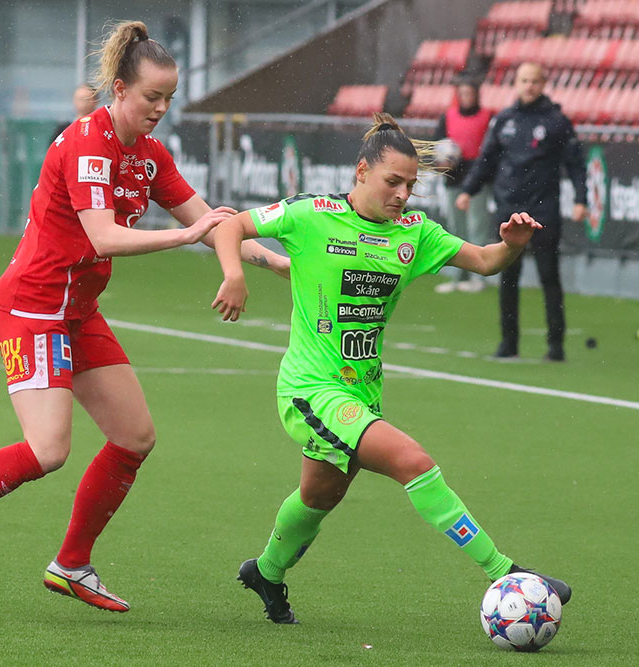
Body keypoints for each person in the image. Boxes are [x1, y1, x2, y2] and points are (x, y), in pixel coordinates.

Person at [0, 21, 289, 612]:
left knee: (134, 438)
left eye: (169, 98)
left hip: (76, 312)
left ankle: (71, 564)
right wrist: (185, 236)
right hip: (32, 308)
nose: (161, 108)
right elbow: (105, 238)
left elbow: (212, 222)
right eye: (151, 96)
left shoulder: (149, 154)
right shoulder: (86, 143)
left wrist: (278, 262)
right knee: (47, 451)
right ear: (120, 89)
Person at [211, 112, 571, 624]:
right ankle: (508, 573)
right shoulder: (311, 214)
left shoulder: (414, 234)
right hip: (311, 389)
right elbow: (231, 225)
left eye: (410, 185)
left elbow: (486, 261)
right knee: (413, 462)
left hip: (363, 391)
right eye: (392, 182)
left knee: (320, 495)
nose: (402, 194)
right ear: (362, 172)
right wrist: (234, 275)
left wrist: (511, 246)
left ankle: (266, 572)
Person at [456, 62, 587, 362]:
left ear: (543, 84)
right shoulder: (504, 120)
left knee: (549, 277)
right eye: (524, 80)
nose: (529, 86)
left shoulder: (556, 121)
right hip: (508, 209)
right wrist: (468, 190)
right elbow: (487, 160)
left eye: (534, 81)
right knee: (507, 277)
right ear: (516, 83)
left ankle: (556, 346)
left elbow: (576, 163)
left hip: (543, 210)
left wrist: (581, 199)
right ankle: (508, 343)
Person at [433, 80, 493, 294]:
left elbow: (492, 149)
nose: (466, 97)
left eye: (470, 93)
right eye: (463, 93)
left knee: (477, 226)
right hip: (453, 178)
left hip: (477, 179)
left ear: (476, 95)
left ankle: (478, 277)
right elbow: (437, 144)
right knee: (455, 228)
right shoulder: (447, 116)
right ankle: (458, 277)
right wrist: (442, 161)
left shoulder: (487, 117)